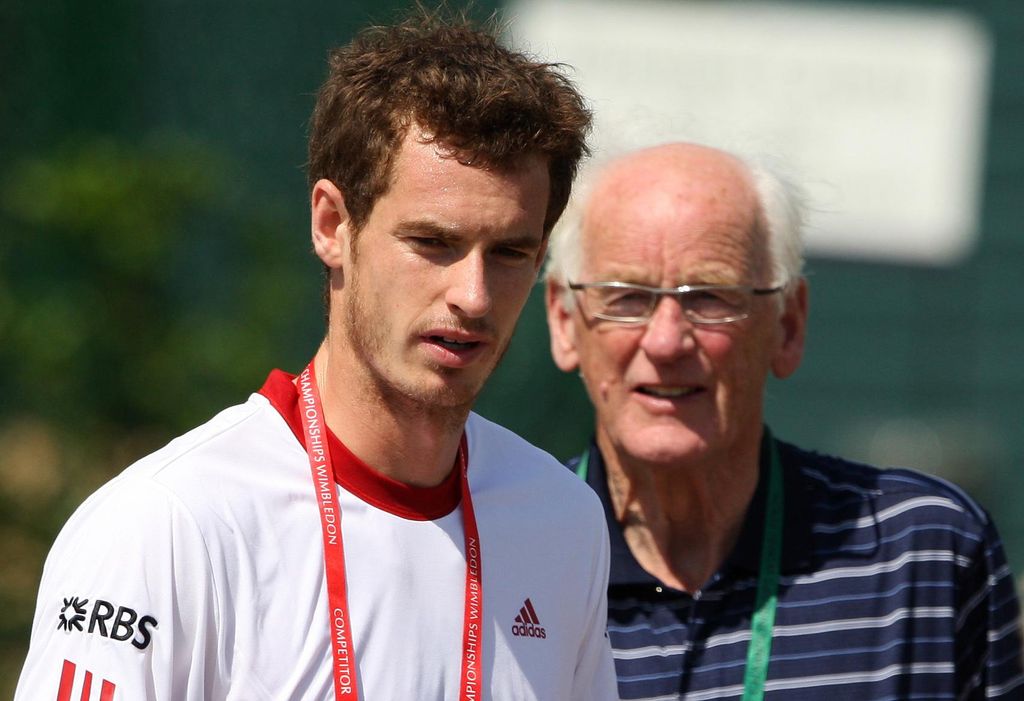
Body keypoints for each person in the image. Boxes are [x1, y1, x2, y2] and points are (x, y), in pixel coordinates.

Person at [16, 13, 619, 701]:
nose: (473, 296)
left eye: (510, 252)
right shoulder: (167, 524)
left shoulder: (562, 519)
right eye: (432, 243)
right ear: (332, 225)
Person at [544, 141, 1024, 700]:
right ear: (563, 320)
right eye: (626, 297)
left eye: (710, 297)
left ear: (788, 325)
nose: (667, 340)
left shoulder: (923, 560)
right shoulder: (499, 560)